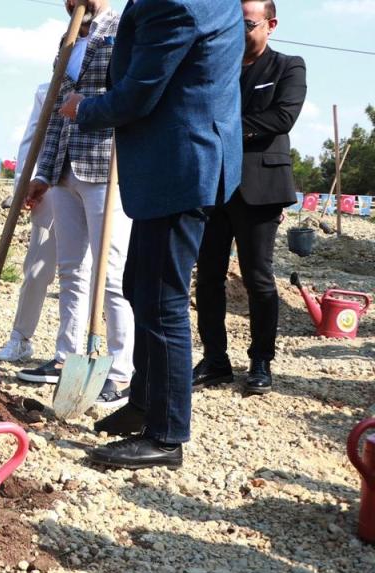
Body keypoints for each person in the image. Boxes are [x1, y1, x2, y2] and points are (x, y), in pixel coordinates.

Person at [61, 0, 243, 469]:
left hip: (180, 165)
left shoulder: (175, 3)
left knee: (162, 301)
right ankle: (144, 400)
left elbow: (140, 92)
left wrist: (84, 108)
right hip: (178, 164)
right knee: (138, 286)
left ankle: (165, 435)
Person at [19, 0, 134, 409]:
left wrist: (88, 106)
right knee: (72, 270)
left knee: (113, 275)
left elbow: (129, 95)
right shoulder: (69, 39)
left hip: (108, 164)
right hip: (66, 166)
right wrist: (44, 174)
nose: (71, 2)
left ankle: (120, 372)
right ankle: (66, 355)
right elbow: (55, 112)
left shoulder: (125, 28)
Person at [194, 0, 305, 396]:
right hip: (213, 185)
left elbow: (281, 118)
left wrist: (224, 129)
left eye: (247, 24)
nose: (238, 32)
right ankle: (215, 359)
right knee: (207, 277)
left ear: (270, 24)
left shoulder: (288, 66)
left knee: (258, 278)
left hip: (259, 190)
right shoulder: (218, 66)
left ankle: (261, 360)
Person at [0, 83, 72, 364]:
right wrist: (22, 187)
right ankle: (20, 337)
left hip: (97, 184)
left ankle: (78, 352)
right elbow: (33, 140)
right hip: (50, 184)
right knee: (39, 266)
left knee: (93, 275)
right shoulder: (47, 89)